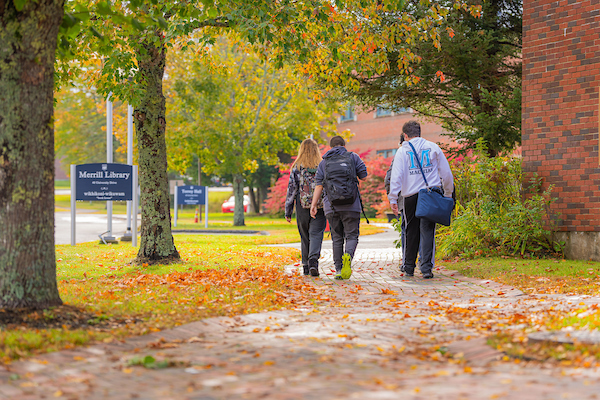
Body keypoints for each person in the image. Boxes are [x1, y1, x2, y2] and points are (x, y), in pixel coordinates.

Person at [388, 121, 453, 279]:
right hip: (431, 193)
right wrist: (448, 193)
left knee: (411, 231)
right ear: (419, 132)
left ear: (405, 135)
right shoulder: (433, 147)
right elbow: (446, 172)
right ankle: (426, 269)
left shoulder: (402, 151)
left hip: (411, 196)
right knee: (428, 230)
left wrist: (393, 197)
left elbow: (396, 176)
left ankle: (409, 267)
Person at [310, 136, 368, 280]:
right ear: (344, 145)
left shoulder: (324, 162)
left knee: (337, 238)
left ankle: (338, 269)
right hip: (352, 205)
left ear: (330, 147)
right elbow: (364, 176)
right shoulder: (353, 157)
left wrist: (313, 205)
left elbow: (319, 185)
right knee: (352, 235)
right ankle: (348, 254)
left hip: (331, 206)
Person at [285, 139, 327, 276]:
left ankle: (306, 266)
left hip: (301, 205)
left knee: (305, 236)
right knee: (316, 234)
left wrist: (288, 210)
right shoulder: (322, 165)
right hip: (319, 205)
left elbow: (292, 190)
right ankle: (313, 261)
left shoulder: (297, 167)